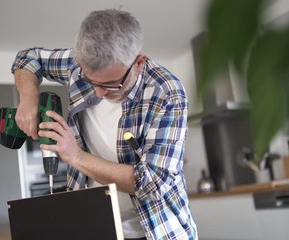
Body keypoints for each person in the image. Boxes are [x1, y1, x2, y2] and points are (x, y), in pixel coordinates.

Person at [11, 9, 198, 240]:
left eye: (111, 84)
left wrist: (75, 156)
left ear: (138, 62)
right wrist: (28, 98)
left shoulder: (166, 93)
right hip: (95, 227)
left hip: (155, 230)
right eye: (91, 81)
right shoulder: (77, 65)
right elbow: (27, 58)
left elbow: (153, 184)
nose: (98, 92)